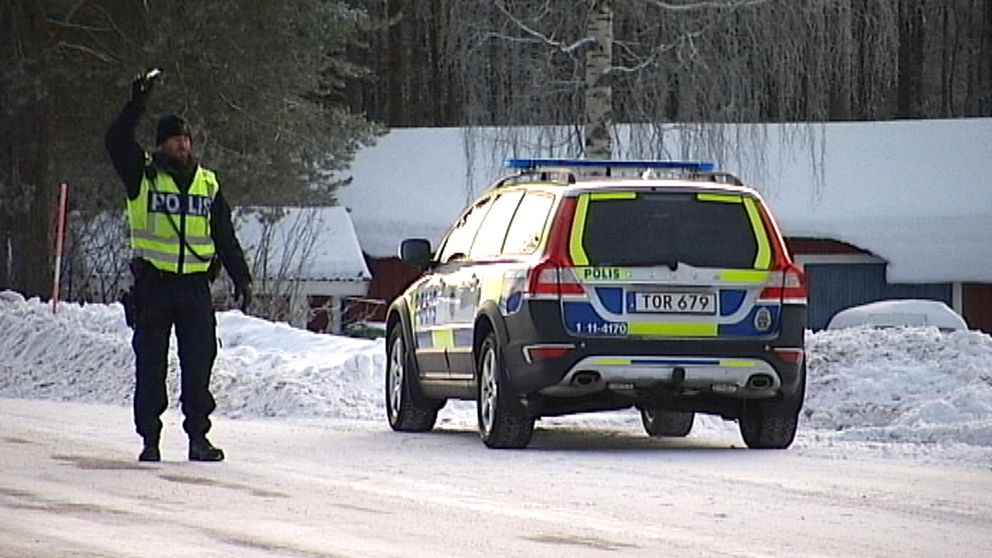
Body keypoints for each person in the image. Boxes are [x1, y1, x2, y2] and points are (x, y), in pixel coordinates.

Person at [105, 70, 253, 463]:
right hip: (154, 286)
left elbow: (224, 234)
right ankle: (150, 439)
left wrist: (242, 278)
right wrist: (137, 103)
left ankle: (198, 439)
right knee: (151, 366)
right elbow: (116, 141)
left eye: (185, 139)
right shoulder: (144, 176)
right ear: (161, 145)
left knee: (199, 364)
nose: (181, 145)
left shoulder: (208, 184)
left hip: (194, 288)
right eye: (174, 139)